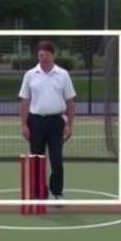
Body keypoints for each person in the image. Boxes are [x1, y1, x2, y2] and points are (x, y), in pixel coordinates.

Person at [18, 41, 76, 201]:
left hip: (56, 122)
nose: (43, 57)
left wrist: (69, 125)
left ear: (53, 55)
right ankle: (39, 192)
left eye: (46, 54)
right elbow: (24, 101)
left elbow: (70, 101)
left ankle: (57, 192)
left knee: (56, 158)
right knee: (37, 158)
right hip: (35, 122)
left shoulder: (63, 74)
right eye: (40, 54)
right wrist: (23, 124)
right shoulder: (30, 75)